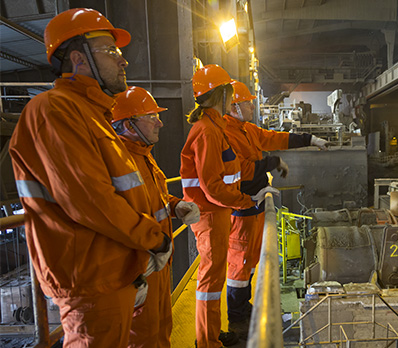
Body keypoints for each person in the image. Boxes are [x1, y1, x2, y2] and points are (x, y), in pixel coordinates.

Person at [9, 8, 171, 348]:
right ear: (79, 59)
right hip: (89, 278)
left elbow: (123, 192)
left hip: (115, 270)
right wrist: (153, 238)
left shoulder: (93, 115)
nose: (122, 61)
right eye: (111, 51)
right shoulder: (54, 110)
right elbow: (90, 199)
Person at [180, 65, 278, 348]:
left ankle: (210, 333)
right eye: (230, 93)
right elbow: (212, 187)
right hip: (211, 215)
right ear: (220, 95)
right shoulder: (207, 131)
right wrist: (247, 200)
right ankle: (207, 340)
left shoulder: (214, 128)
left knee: (213, 282)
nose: (234, 99)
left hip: (218, 213)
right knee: (210, 283)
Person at [223, 80, 330, 338]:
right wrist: (273, 162)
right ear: (235, 106)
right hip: (242, 206)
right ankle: (236, 316)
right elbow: (244, 171)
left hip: (254, 204)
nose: (252, 106)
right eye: (248, 102)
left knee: (248, 263)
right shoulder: (228, 133)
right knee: (239, 264)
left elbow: (274, 137)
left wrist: (310, 139)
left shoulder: (245, 129)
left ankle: (243, 307)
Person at [111, 86, 201, 348]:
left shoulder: (144, 156)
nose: (159, 122)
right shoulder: (118, 160)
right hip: (139, 268)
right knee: (143, 337)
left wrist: (176, 207)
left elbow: (153, 201)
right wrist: (132, 274)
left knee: (161, 330)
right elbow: (112, 217)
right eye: (151, 116)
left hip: (158, 263)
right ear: (128, 124)